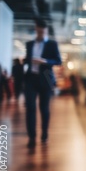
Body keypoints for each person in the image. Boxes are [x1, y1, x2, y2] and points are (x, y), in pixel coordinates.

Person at [24, 19, 62, 147]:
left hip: (45, 77)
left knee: (44, 108)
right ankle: (31, 137)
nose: (41, 34)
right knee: (30, 107)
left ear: (46, 31)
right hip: (31, 78)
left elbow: (58, 61)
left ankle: (44, 133)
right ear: (36, 29)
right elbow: (27, 60)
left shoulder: (52, 44)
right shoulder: (29, 44)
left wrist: (44, 61)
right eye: (39, 31)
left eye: (43, 32)